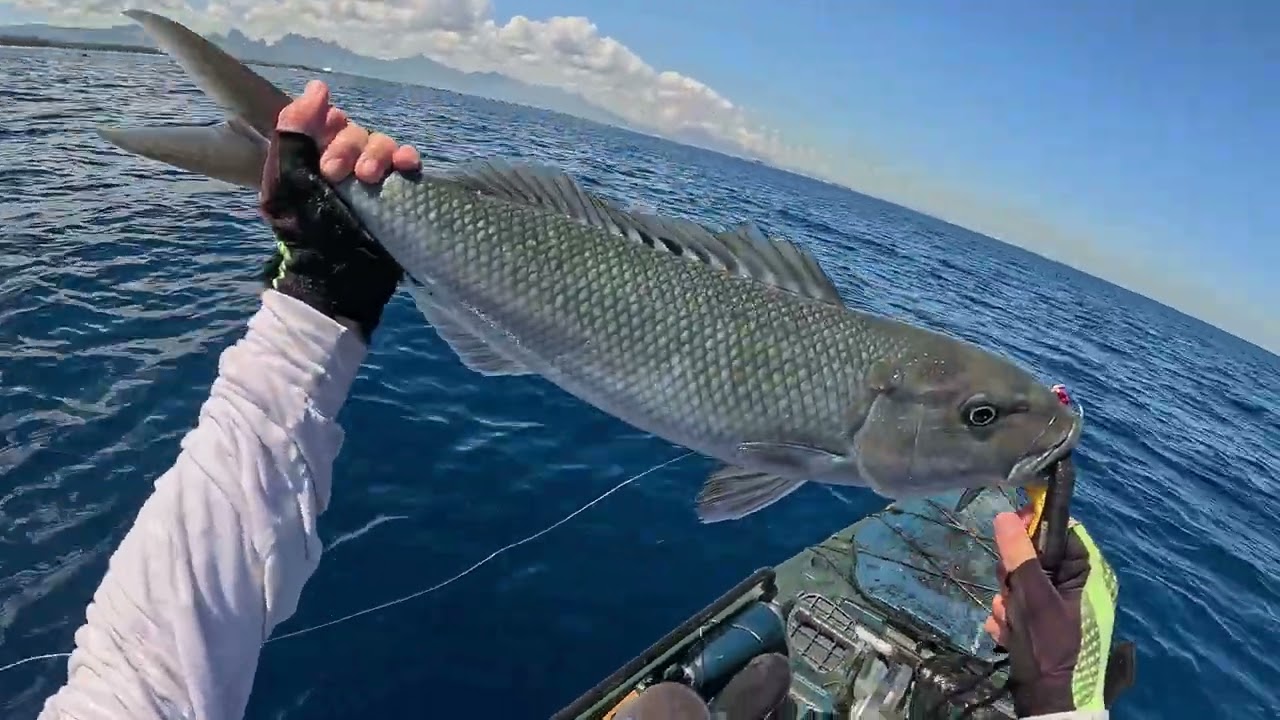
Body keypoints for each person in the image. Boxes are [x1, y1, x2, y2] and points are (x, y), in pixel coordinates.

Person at [36, 81, 1121, 720]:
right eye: (979, 418)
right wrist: (1048, 700)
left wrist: (319, 292)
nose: (1003, 432)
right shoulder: (824, 422)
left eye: (989, 419)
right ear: (889, 401)